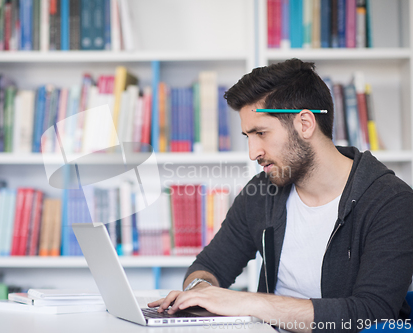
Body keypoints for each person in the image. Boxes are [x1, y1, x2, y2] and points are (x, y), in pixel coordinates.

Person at [148, 58, 413, 333]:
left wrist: (248, 303)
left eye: (261, 133)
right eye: (248, 136)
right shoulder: (260, 192)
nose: (253, 153)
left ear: (305, 123)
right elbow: (209, 265)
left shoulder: (391, 202)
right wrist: (200, 291)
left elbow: (368, 314)